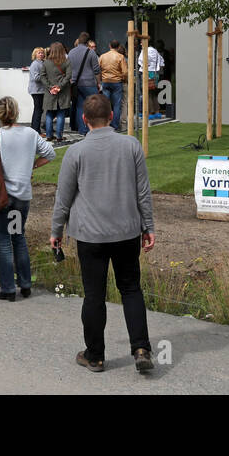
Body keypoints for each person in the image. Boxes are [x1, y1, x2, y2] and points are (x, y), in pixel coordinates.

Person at [51, 94, 156, 373]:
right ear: (112, 116)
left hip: (90, 234)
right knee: (131, 289)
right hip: (126, 230)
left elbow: (63, 196)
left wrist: (56, 230)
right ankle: (141, 347)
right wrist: (149, 226)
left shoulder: (76, 152)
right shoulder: (131, 145)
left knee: (94, 295)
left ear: (84, 120)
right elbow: (143, 192)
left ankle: (95, 355)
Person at [0, 97, 55, 301]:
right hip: (21, 196)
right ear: (16, 113)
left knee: (3, 241)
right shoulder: (30, 134)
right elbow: (50, 154)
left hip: (2, 196)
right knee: (18, 236)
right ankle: (25, 283)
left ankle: (7, 288)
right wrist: (31, 165)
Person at [66, 32, 101, 135]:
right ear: (88, 42)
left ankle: (82, 129)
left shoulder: (71, 52)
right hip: (89, 83)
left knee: (80, 107)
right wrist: (99, 83)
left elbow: (68, 68)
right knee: (94, 106)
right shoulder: (91, 52)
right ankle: (94, 129)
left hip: (76, 84)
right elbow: (96, 70)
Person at [39, 42, 72, 142]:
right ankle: (59, 136)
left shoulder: (46, 62)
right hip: (63, 91)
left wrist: (50, 87)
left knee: (49, 113)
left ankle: (49, 135)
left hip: (50, 92)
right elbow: (68, 76)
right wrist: (59, 87)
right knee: (61, 113)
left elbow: (42, 76)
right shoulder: (66, 61)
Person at [99, 40, 127, 130]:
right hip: (116, 82)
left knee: (106, 104)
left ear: (109, 45)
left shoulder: (102, 56)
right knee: (117, 105)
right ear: (118, 47)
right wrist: (124, 79)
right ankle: (115, 125)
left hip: (105, 81)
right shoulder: (120, 56)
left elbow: (98, 70)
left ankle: (105, 124)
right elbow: (125, 72)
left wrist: (100, 80)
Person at [137, 41, 163, 120]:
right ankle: (157, 112)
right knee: (154, 93)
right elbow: (161, 62)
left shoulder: (144, 50)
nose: (140, 44)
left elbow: (140, 61)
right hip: (155, 73)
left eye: (141, 42)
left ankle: (150, 112)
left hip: (147, 72)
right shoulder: (155, 51)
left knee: (147, 93)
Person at [27, 47, 46, 136]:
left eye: (42, 53)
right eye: (39, 53)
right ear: (35, 54)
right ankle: (36, 130)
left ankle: (34, 129)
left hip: (40, 90)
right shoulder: (35, 64)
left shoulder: (42, 63)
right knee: (38, 110)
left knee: (39, 110)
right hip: (36, 90)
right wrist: (46, 77)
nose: (41, 54)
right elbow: (36, 78)